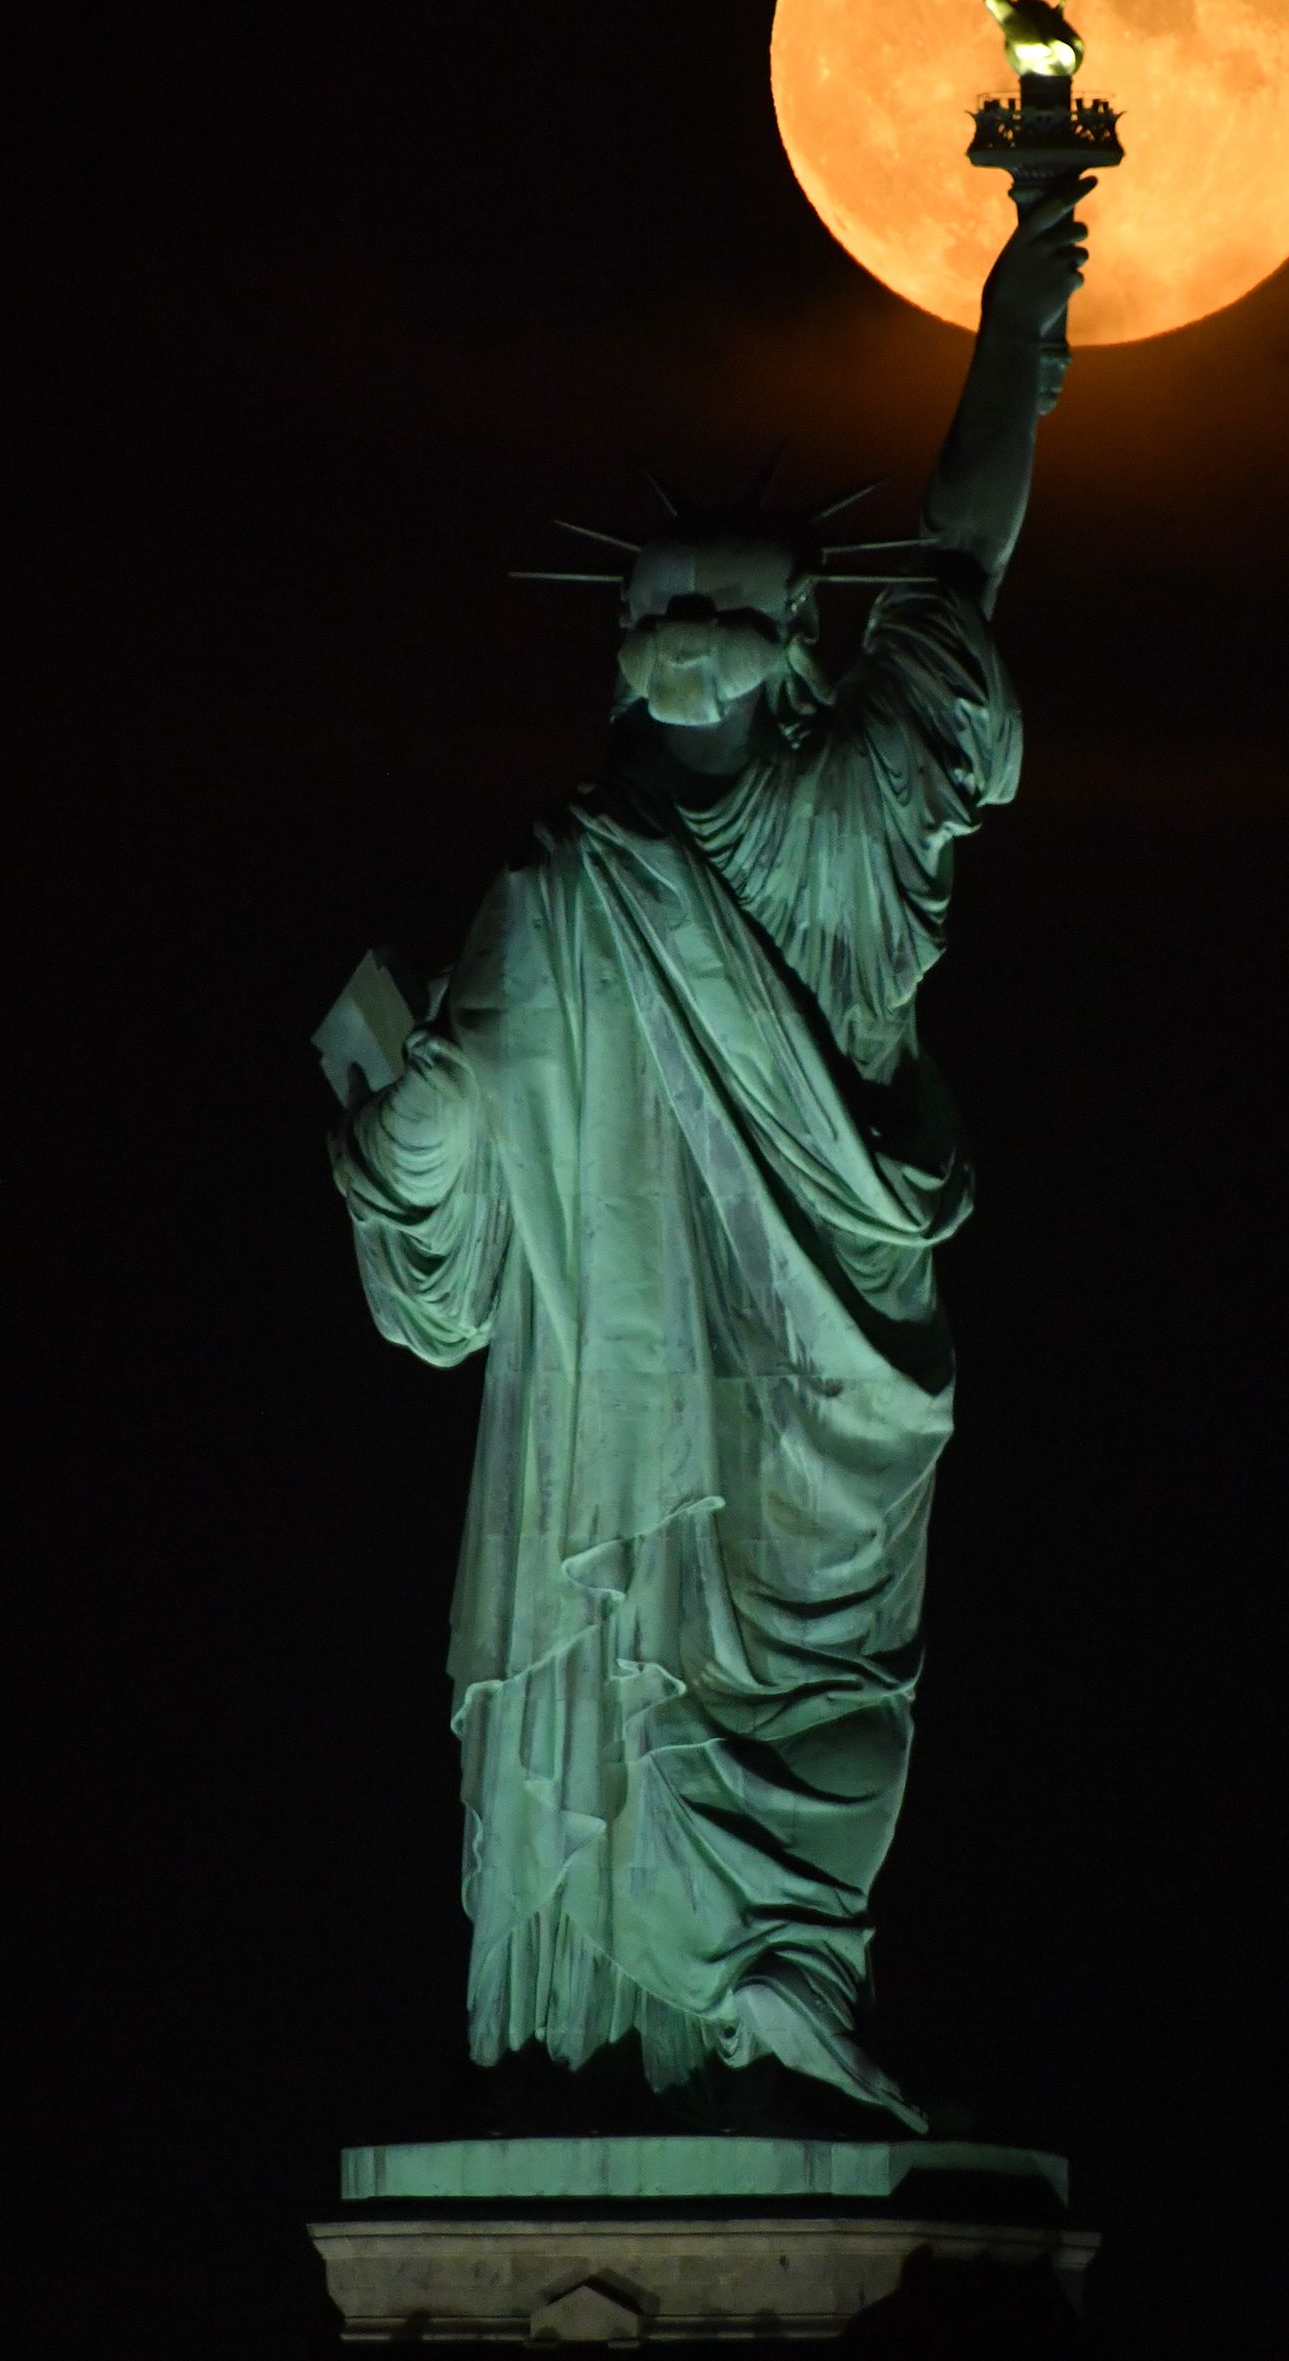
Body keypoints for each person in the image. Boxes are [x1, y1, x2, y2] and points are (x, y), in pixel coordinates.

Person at [331, 174, 1092, 2128]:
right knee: (635, 1643)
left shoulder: (846, 828)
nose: (692, 641)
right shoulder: (557, 886)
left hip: (821, 1372)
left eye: (730, 616)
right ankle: (635, 2025)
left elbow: (958, 575)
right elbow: (450, 1180)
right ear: (623, 649)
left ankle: (779, 1984)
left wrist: (1016, 336)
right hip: (621, 1393)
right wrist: (411, 1130)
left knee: (819, 1684)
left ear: (787, 646)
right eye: (663, 616)